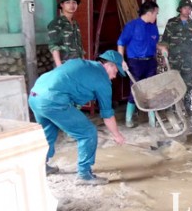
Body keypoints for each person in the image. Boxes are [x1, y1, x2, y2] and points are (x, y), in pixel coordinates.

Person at [28, 50, 126, 185]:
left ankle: (41, 167)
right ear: (110, 65)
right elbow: (107, 115)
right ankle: (84, 175)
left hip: (35, 95)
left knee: (48, 132)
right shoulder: (102, 80)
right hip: (53, 100)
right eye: (116, 72)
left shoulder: (84, 64)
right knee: (88, 133)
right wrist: (117, 135)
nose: (115, 77)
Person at [117, 1, 167, 128]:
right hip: (135, 63)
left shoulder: (153, 27)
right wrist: (121, 60)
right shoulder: (132, 26)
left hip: (150, 62)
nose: (156, 16)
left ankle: (152, 119)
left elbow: (153, 43)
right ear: (149, 13)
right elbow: (121, 43)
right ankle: (129, 118)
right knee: (136, 90)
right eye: (156, 13)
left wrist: (161, 48)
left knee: (151, 90)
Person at [161, 0, 192, 115]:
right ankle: (175, 106)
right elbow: (165, 41)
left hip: (188, 60)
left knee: (188, 83)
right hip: (173, 59)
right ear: (180, 9)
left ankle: (187, 105)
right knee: (173, 82)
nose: (187, 10)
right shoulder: (171, 23)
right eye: (185, 8)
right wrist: (164, 59)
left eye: (189, 8)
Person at [47, 0, 84, 66]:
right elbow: (54, 46)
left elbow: (79, 46)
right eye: (68, 2)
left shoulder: (75, 24)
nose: (72, 5)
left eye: (74, 2)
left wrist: (83, 62)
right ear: (61, 5)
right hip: (65, 65)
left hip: (78, 64)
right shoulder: (56, 23)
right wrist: (60, 67)